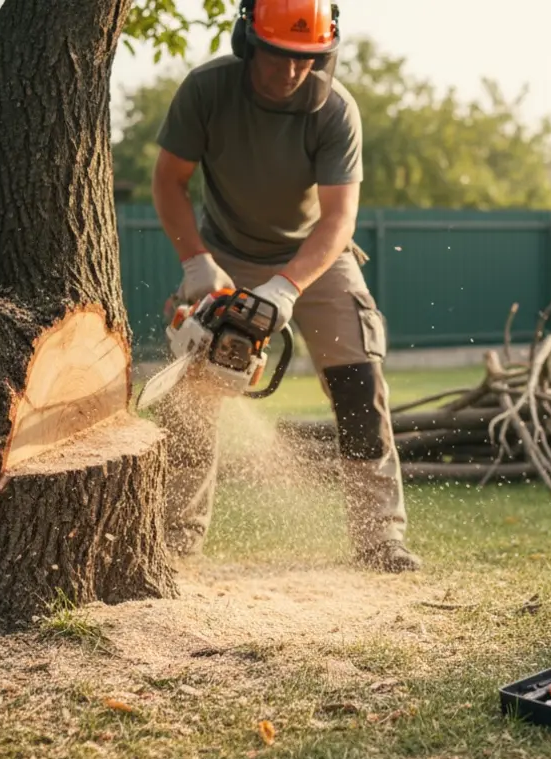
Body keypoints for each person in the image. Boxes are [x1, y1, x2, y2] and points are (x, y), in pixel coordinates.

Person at [148, 0, 421, 573]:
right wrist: (196, 262)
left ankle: (380, 539)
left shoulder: (336, 110)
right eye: (278, 56)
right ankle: (176, 539)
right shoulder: (206, 91)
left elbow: (337, 221)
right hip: (221, 250)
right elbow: (169, 180)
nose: (291, 71)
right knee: (193, 392)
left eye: (307, 58)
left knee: (359, 385)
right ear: (248, 40)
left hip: (315, 257)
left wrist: (287, 287)